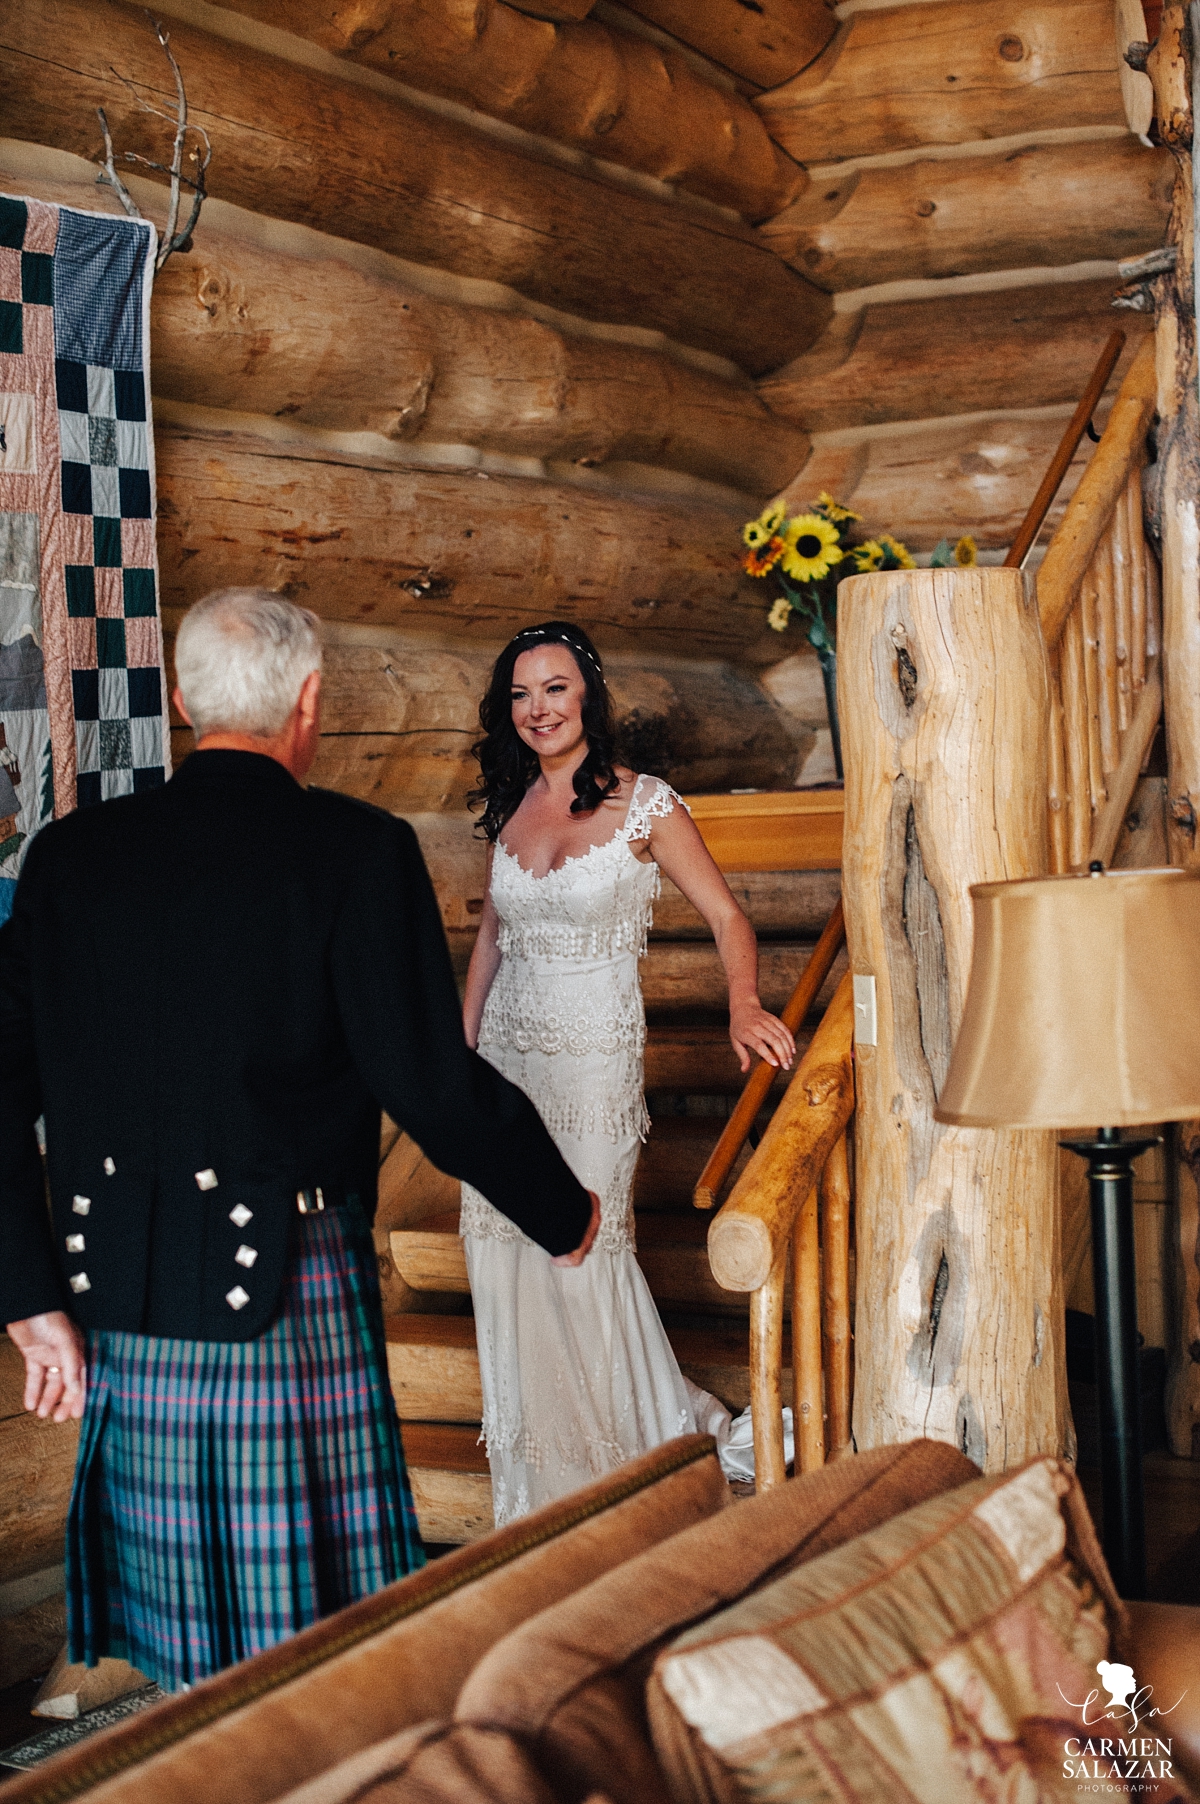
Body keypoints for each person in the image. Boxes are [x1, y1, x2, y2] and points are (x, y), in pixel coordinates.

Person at [0, 588, 599, 1692]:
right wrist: (565, 1210)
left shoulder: (70, 858)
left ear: (181, 700)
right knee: (313, 1646)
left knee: (188, 1646)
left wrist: (30, 1298)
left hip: (120, 1289)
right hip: (283, 1276)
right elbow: (427, 1077)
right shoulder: (352, 851)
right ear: (310, 702)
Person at [461, 621, 796, 1523]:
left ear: (588, 697)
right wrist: (458, 1056)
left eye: (556, 689)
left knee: (583, 1248)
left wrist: (742, 1002)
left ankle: (624, 1464)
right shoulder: (510, 806)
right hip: (508, 1058)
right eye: (523, 693)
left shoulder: (645, 803)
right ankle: (540, 1479)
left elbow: (728, 917)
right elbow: (493, 936)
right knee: (505, 1251)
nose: (539, 709)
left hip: (594, 1056)